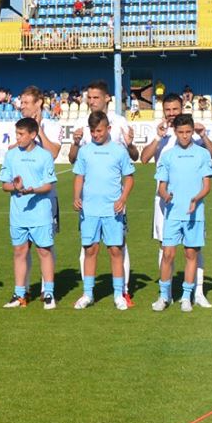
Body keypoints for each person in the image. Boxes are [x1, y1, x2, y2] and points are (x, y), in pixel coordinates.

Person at [140, 92, 212, 306]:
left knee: (194, 248)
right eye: (168, 110)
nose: (172, 113)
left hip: (192, 202)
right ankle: (165, 293)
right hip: (165, 202)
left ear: (182, 109)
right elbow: (144, 159)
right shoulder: (162, 136)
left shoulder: (192, 135)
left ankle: (197, 292)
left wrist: (203, 136)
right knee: (165, 247)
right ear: (163, 111)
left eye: (176, 109)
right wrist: (158, 137)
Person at [72, 110, 134, 310]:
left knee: (115, 250)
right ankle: (88, 294)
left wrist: (123, 198)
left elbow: (129, 178)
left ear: (108, 129)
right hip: (89, 210)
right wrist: (76, 197)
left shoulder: (119, 151)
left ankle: (118, 294)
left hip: (113, 210)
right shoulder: (85, 151)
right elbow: (79, 176)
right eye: (93, 131)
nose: (96, 134)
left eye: (99, 130)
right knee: (90, 250)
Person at [153, 114, 211, 313]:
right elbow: (162, 185)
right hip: (173, 213)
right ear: (175, 132)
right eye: (181, 132)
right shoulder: (168, 156)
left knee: (190, 254)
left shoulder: (202, 154)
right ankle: (163, 295)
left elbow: (207, 185)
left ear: (193, 131)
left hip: (195, 213)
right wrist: (165, 195)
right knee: (168, 254)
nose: (185, 136)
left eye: (188, 132)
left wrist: (196, 199)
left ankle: (186, 296)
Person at [0, 116, 58, 309]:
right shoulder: (11, 155)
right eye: (16, 133)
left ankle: (48, 292)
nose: (18, 138)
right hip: (18, 214)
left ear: (33, 135)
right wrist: (15, 187)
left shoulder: (45, 156)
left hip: (40, 212)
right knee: (19, 252)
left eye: (21, 134)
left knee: (44, 251)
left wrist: (31, 190)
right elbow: (4, 184)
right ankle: (19, 294)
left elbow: (48, 185)